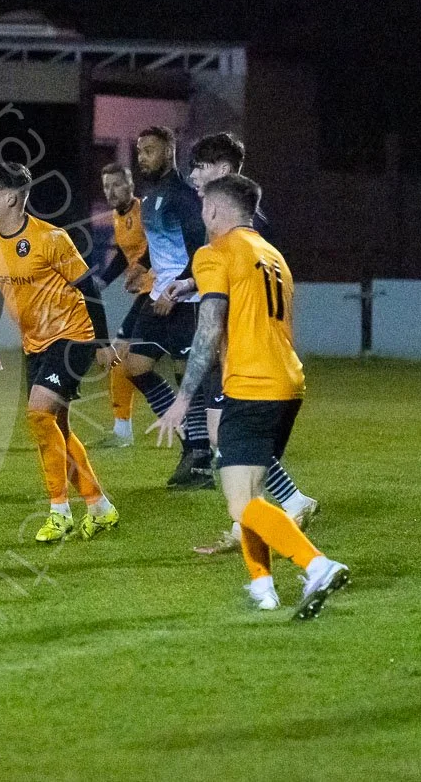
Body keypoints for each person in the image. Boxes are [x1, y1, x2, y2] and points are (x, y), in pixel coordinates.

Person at [150, 175, 349, 618]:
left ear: (215, 212)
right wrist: (189, 286)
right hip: (288, 385)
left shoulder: (213, 252)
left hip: (250, 387)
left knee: (241, 504)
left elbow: (209, 328)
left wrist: (184, 398)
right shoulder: (270, 254)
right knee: (252, 496)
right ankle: (262, 590)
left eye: (204, 207)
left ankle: (317, 565)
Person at [171, 133, 320, 554]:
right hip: (282, 371)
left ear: (220, 173)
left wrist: (183, 398)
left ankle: (308, 554)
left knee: (232, 446)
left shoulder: (230, 232)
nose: (194, 176)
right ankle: (259, 560)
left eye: (200, 168)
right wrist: (189, 284)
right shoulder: (260, 239)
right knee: (232, 446)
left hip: (249, 366)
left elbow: (219, 312)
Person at [0, 161, 121, 543]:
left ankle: (59, 512)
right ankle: (100, 506)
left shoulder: (51, 238)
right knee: (57, 427)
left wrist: (103, 343)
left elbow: (89, 287)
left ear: (10, 198)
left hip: (73, 337)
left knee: (39, 413)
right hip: (35, 345)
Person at [128, 126, 214, 489]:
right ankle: (191, 444)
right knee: (134, 365)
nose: (142, 157)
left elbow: (199, 250)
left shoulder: (183, 196)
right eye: (140, 151)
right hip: (158, 295)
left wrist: (175, 291)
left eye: (149, 150)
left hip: (185, 299)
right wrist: (142, 265)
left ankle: (199, 460)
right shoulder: (151, 197)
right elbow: (163, 241)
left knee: (187, 380)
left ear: (169, 151)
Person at [91, 163, 153, 448]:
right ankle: (122, 430)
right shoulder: (118, 217)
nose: (110, 191)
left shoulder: (146, 211)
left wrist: (140, 267)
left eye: (116, 184)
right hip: (148, 294)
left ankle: (123, 431)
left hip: (160, 292)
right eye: (106, 186)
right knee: (124, 358)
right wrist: (102, 282)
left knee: (122, 355)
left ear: (131, 185)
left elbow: (159, 246)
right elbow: (122, 255)